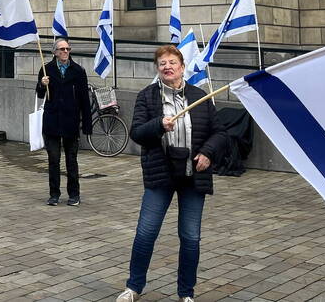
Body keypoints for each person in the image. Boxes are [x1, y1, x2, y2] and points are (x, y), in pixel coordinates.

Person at [116, 45, 227, 302]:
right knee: (146, 232)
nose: (167, 67)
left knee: (190, 237)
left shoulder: (200, 96)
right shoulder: (147, 97)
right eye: (162, 63)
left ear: (182, 66)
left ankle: (186, 293)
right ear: (158, 69)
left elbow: (220, 133)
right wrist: (158, 125)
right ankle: (133, 287)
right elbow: (137, 133)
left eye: (172, 62)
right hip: (160, 176)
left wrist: (208, 153)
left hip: (193, 176)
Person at [35, 38, 93, 206]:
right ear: (55, 52)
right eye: (61, 49)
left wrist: (87, 124)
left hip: (70, 121)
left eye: (67, 49)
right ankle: (54, 194)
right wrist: (41, 84)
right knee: (53, 159)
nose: (65, 52)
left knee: (71, 160)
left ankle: (74, 194)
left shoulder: (78, 71)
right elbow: (40, 95)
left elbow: (84, 100)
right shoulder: (46, 69)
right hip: (52, 121)